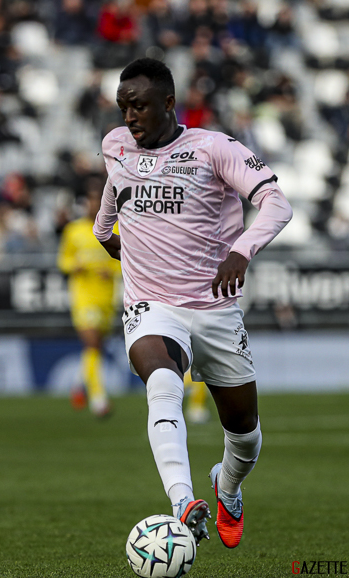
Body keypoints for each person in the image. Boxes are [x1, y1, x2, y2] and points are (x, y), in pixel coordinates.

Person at [93, 58, 292, 549]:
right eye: (123, 107)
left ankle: (228, 486)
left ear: (167, 103)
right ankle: (183, 501)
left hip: (215, 308)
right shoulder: (115, 146)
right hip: (151, 304)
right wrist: (103, 232)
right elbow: (114, 189)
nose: (129, 117)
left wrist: (241, 252)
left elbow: (277, 204)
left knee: (244, 433)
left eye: (138, 106)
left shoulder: (213, 148)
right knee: (161, 379)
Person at [57, 188, 120, 417]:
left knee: (96, 348)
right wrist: (75, 266)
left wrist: (112, 270)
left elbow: (126, 261)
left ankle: (78, 384)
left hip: (106, 297)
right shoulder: (74, 230)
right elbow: (63, 260)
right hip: (83, 297)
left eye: (99, 202)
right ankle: (98, 398)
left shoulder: (115, 228)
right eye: (91, 202)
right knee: (92, 343)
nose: (94, 206)